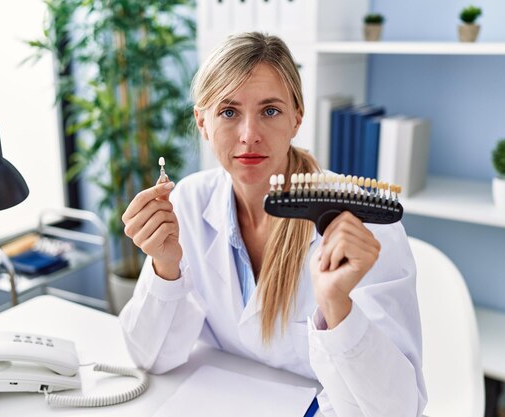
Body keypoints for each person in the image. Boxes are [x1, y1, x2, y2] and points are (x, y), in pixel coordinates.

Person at [119, 32, 427, 417]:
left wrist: (337, 308)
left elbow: (397, 410)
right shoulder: (186, 204)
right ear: (202, 122)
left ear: (297, 117)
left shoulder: (363, 224)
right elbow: (151, 359)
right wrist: (166, 268)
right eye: (229, 112)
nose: (250, 136)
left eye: (270, 111)